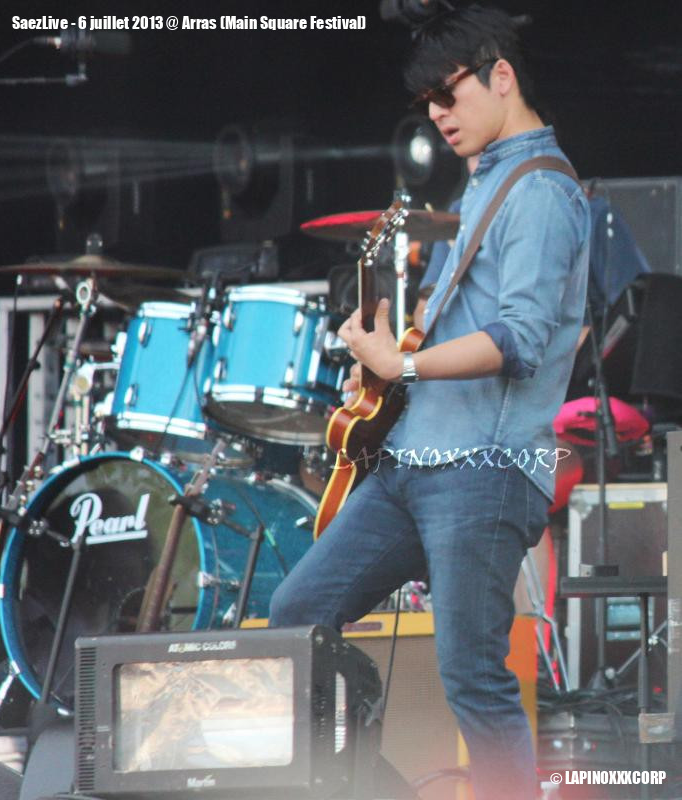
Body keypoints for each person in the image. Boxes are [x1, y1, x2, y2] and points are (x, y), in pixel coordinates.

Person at [269, 6, 590, 799]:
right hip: (415, 463)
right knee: (295, 618)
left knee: (473, 679)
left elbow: (518, 339)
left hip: (484, 467)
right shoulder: (485, 183)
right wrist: (383, 376)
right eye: (428, 105)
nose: (439, 116)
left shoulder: (542, 193)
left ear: (501, 76)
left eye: (449, 96)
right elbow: (450, 328)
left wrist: (402, 361)